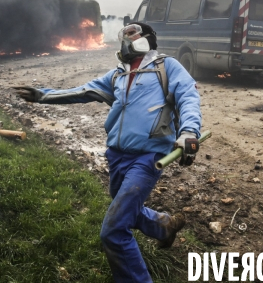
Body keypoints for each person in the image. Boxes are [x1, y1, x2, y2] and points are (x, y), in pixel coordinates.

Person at [14, 22, 202, 282]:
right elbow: (82, 91)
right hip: (116, 156)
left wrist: (189, 132)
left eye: (132, 33)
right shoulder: (117, 75)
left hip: (149, 156)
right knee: (123, 204)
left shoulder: (165, 67)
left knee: (113, 231)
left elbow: (188, 97)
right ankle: (163, 226)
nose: (126, 37)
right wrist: (42, 95)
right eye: (123, 34)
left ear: (147, 38)